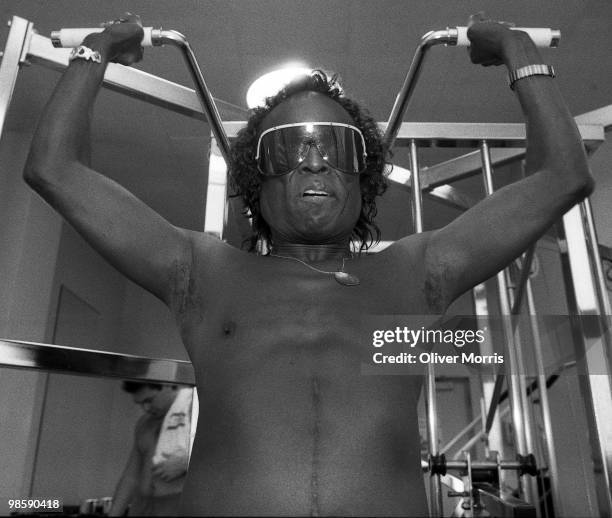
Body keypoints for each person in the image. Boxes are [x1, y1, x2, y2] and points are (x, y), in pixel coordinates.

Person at [24, 12, 593, 517]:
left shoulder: (419, 270)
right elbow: (54, 169)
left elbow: (562, 177)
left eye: (336, 148)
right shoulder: (198, 271)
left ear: (362, 178)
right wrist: (94, 51)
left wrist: (518, 50)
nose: (314, 164)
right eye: (288, 149)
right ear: (255, 180)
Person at [109, 382, 191, 517]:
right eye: (140, 403)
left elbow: (227, 460)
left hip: (179, 505)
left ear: (167, 385)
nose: (145, 408)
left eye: (149, 400)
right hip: (142, 506)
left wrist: (186, 462)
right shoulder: (144, 423)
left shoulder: (198, 412)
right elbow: (131, 477)